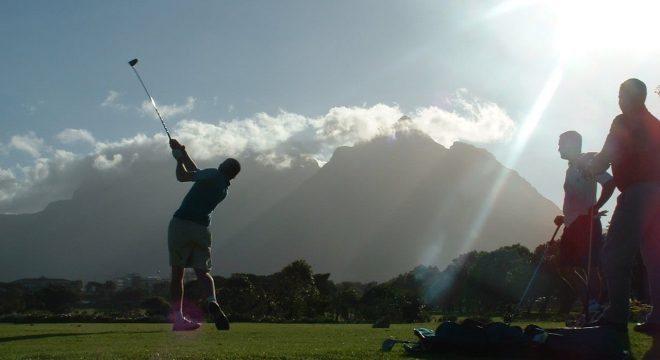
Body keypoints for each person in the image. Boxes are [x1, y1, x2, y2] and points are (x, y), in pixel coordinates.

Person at [581, 78, 660, 333]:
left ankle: (617, 314)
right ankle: (658, 318)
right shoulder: (656, 124)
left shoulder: (623, 121)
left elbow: (608, 154)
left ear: (630, 97)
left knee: (614, 254)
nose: (618, 100)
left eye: (620, 95)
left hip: (638, 193)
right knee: (655, 259)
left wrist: (592, 167)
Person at [167, 138, 241, 331]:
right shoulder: (223, 187)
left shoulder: (212, 174)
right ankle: (212, 300)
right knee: (203, 272)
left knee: (178, 273)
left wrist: (177, 160)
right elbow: (196, 172)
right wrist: (183, 152)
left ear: (223, 166)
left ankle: (178, 319)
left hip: (181, 224)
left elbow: (182, 176)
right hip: (202, 229)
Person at [554, 131, 615, 320]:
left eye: (561, 143)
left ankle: (594, 311)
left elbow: (610, 182)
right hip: (572, 223)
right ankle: (592, 307)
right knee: (565, 267)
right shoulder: (571, 167)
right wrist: (563, 216)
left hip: (586, 223)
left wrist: (595, 208)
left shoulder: (586, 162)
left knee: (591, 267)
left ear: (571, 145)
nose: (558, 148)